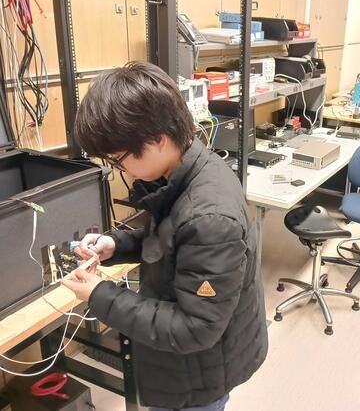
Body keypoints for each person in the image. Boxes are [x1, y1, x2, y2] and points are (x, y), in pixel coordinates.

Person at [61, 61, 268, 411]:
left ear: (157, 138)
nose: (120, 169)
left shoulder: (210, 217)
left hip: (197, 378)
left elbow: (195, 328)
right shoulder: (189, 169)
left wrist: (99, 293)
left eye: (118, 159)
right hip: (196, 363)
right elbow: (174, 239)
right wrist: (118, 244)